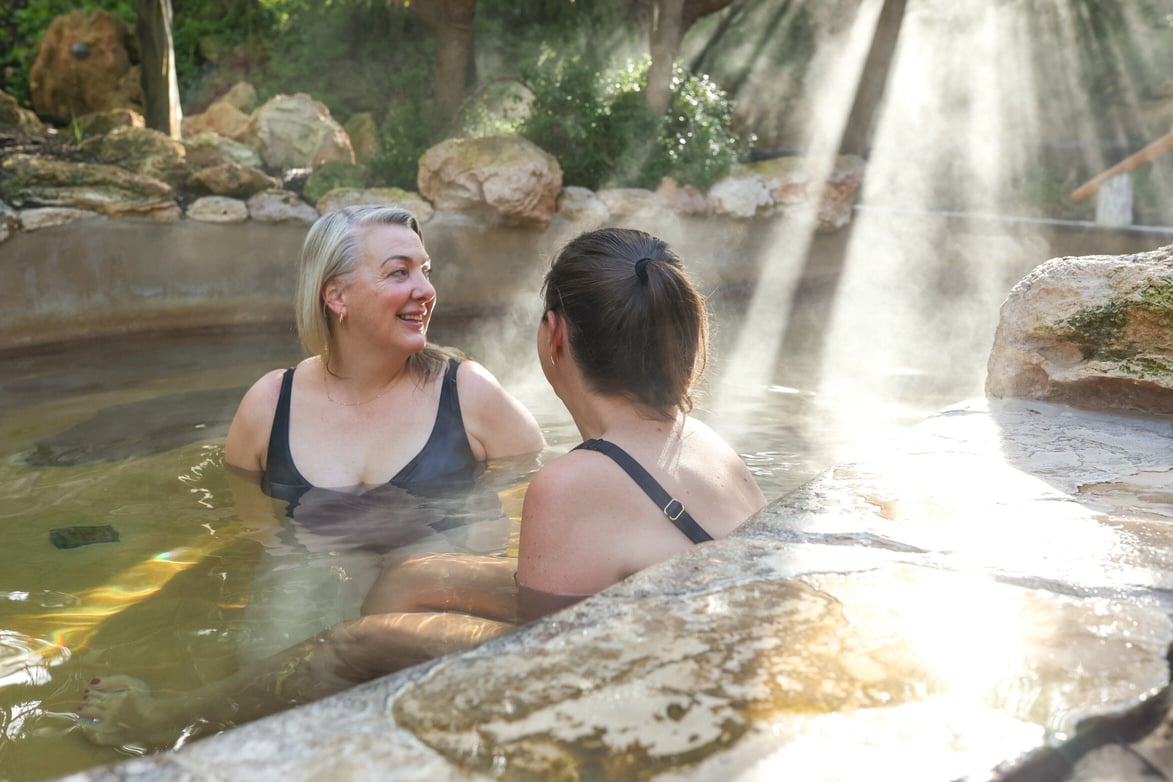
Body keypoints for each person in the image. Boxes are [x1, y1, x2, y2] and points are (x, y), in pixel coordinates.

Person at [77, 227, 766, 750]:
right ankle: (370, 712)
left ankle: (165, 720)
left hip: (650, 691)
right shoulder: (706, 445)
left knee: (352, 644)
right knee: (417, 573)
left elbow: (547, 669)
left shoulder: (573, 481)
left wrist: (386, 642)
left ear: (552, 336)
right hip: (682, 641)